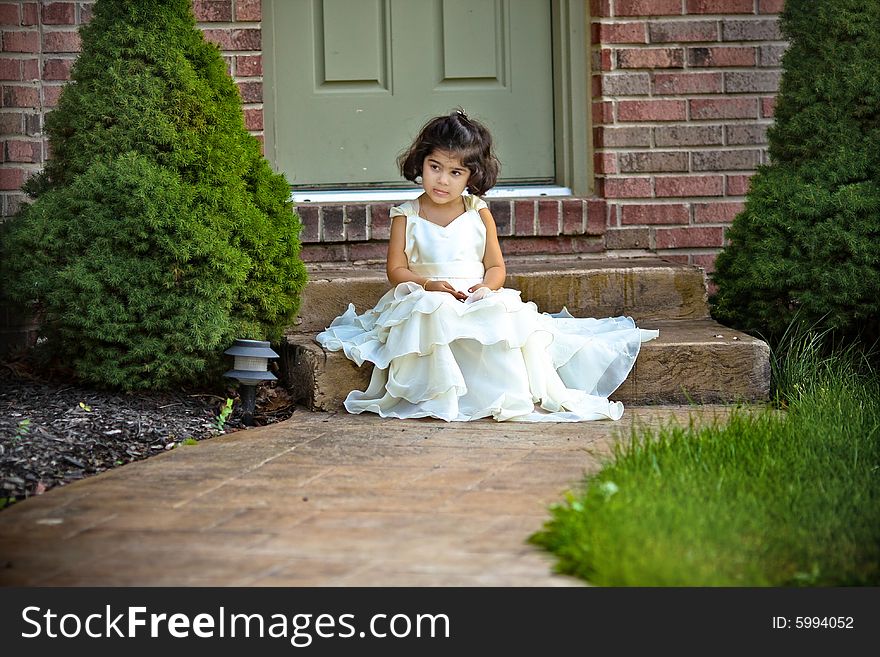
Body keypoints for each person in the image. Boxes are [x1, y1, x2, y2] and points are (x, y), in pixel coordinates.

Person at [316, 110, 658, 422]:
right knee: (433, 309)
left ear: (471, 176)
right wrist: (427, 284)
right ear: (420, 163)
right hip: (424, 292)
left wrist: (487, 288)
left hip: (473, 292)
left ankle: (503, 393)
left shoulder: (478, 211)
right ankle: (440, 392)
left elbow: (495, 267)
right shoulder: (407, 215)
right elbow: (396, 271)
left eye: (455, 172)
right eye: (435, 167)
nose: (442, 180)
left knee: (500, 312)